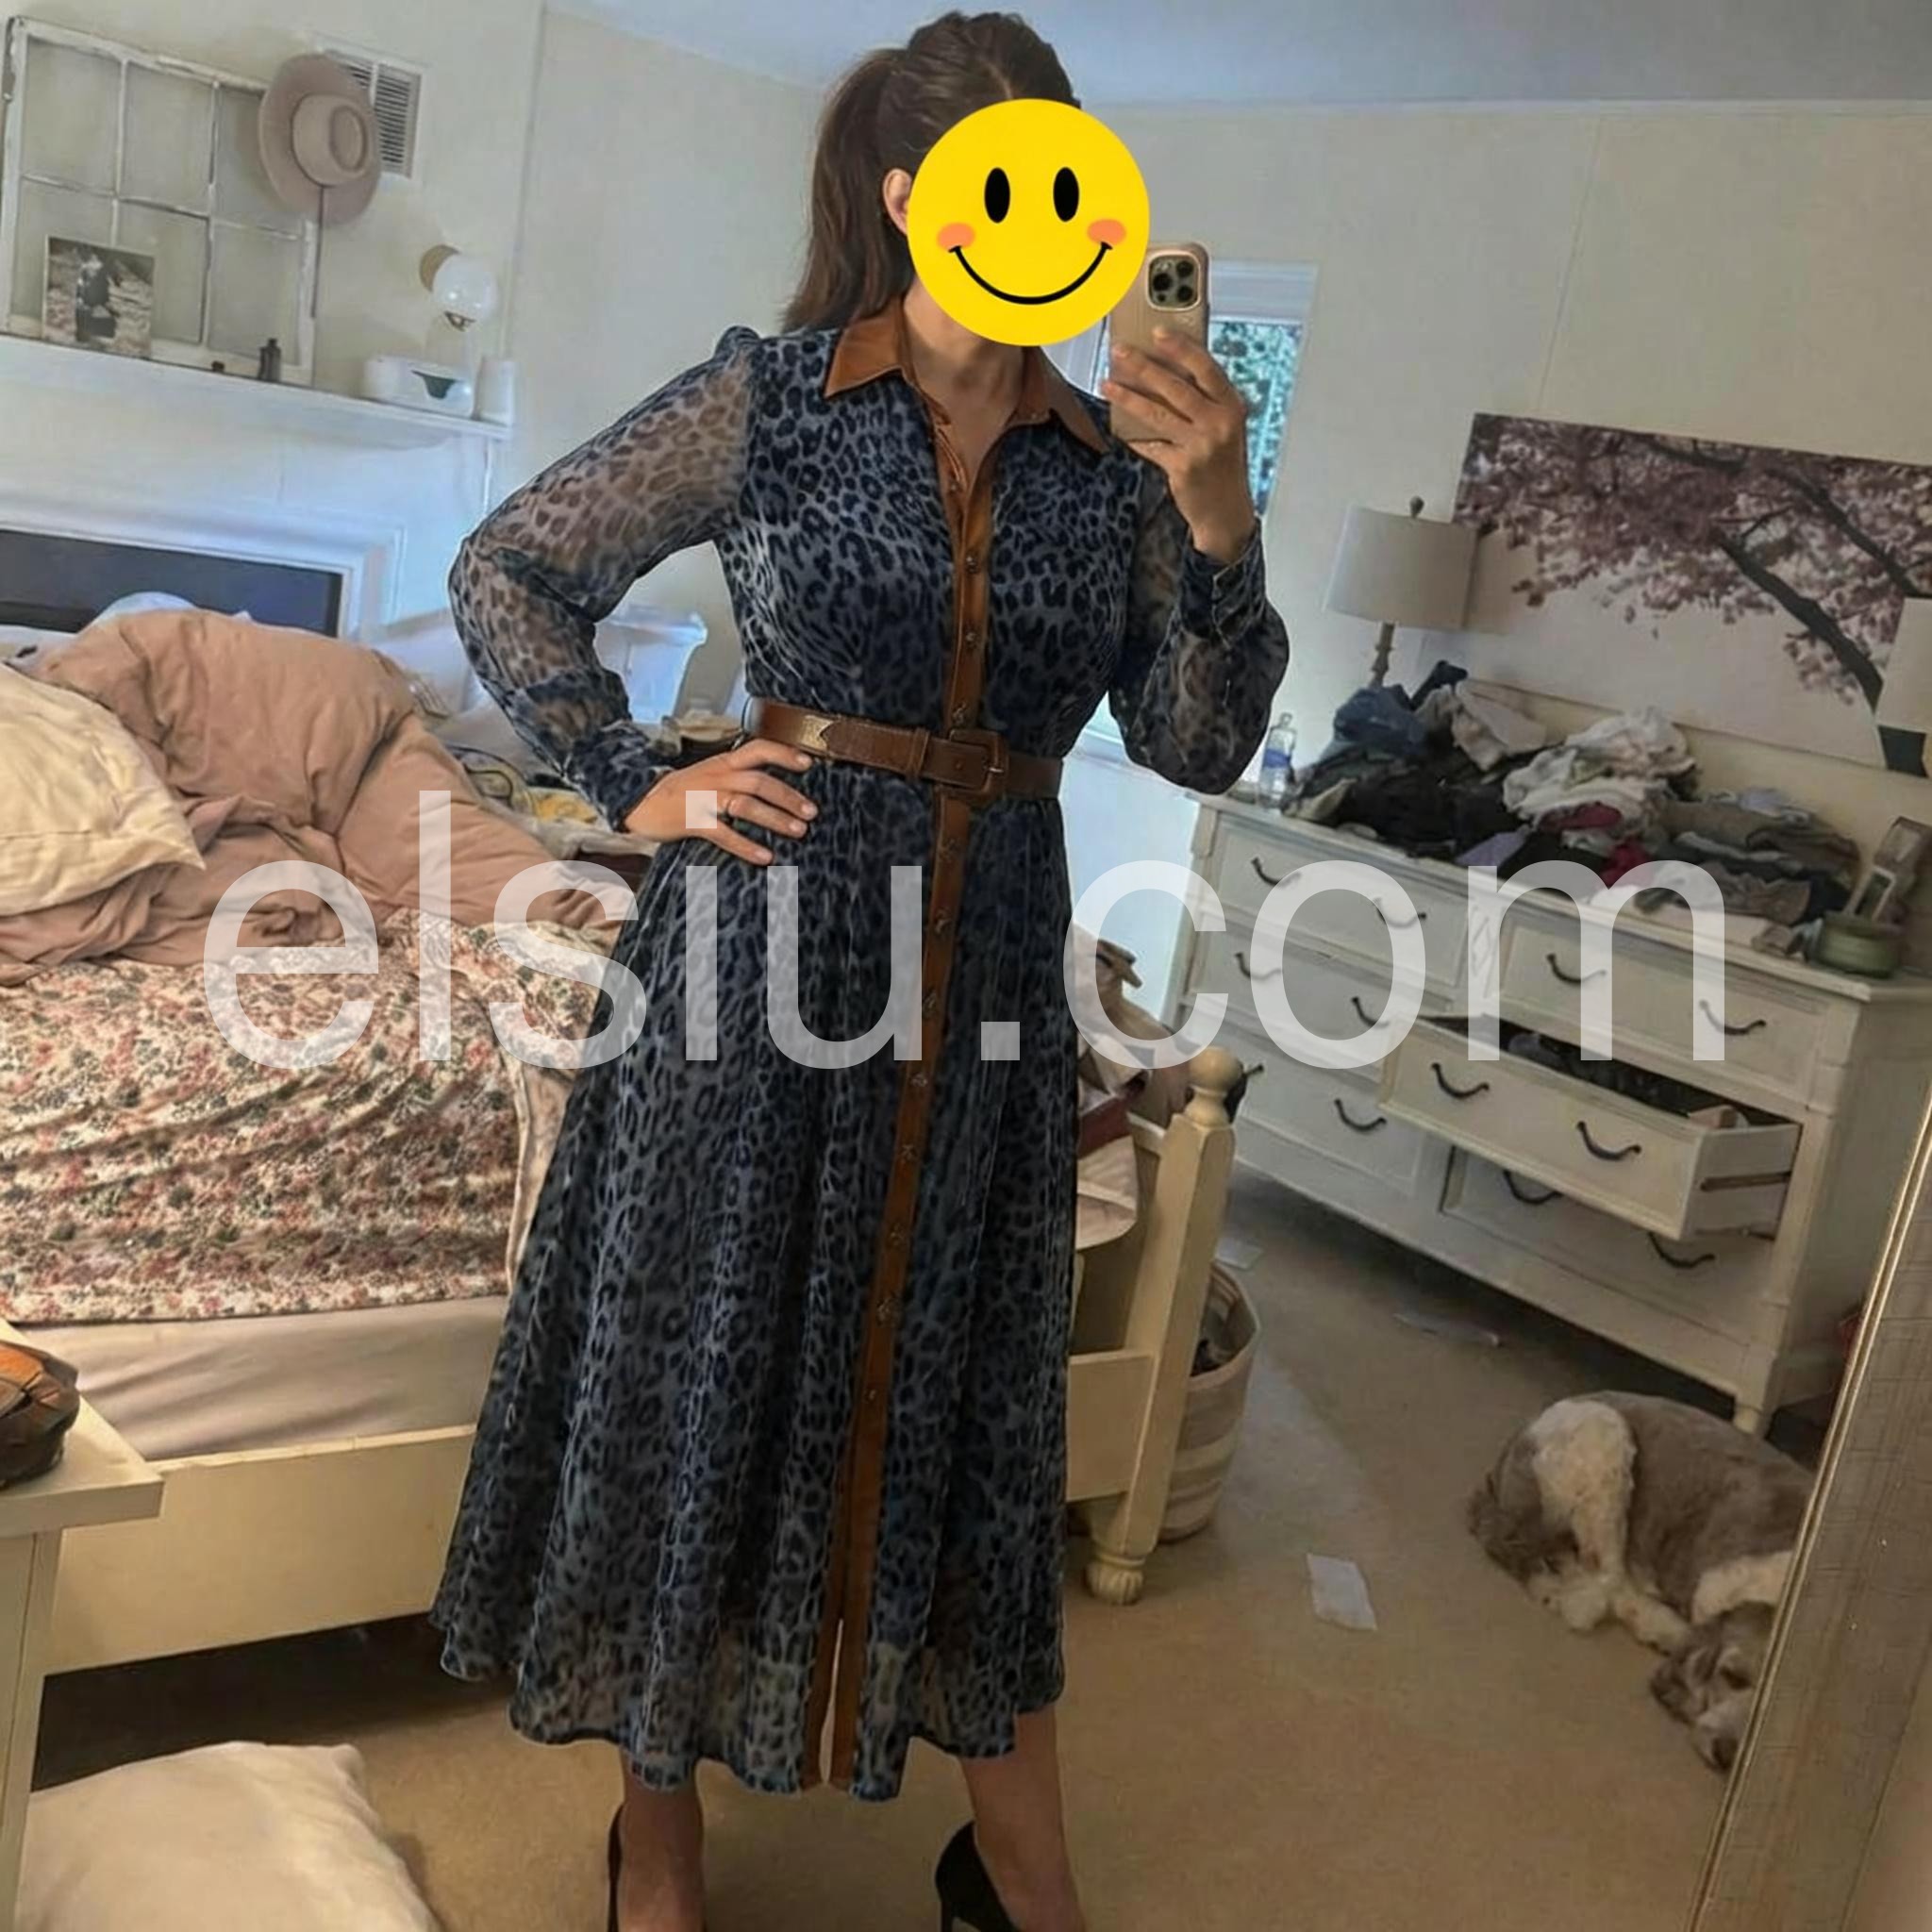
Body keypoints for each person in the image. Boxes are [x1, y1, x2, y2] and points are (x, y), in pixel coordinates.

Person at [432, 11, 1289, 1930]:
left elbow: (1199, 740)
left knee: (968, 1408)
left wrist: (1223, 517)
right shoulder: (773, 402)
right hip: (758, 954)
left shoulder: (1114, 471)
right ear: (909, 197)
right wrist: (634, 774)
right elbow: (508, 567)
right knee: (700, 1360)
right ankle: (657, 1849)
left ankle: (1016, 1859)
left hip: (988, 979)